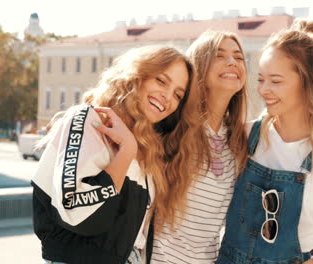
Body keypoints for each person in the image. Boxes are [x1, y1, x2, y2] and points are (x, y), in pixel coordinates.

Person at [31, 45, 193, 264]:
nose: (167, 97)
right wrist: (126, 151)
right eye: (161, 81)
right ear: (137, 76)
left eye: (178, 95)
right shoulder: (87, 120)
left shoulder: (150, 149)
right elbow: (77, 212)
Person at [217, 19, 313, 264]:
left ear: (308, 85)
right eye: (261, 79)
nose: (263, 90)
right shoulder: (243, 135)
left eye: (276, 81)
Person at [151, 31, 249, 263]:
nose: (232, 62)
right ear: (199, 65)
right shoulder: (172, 126)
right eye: (220, 55)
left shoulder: (240, 139)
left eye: (239, 57)